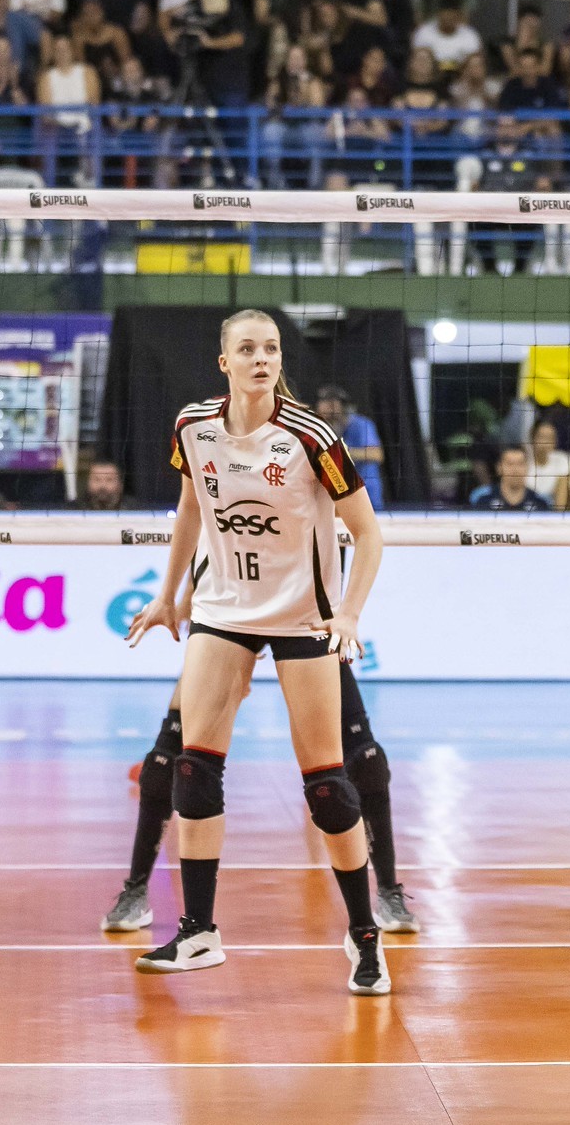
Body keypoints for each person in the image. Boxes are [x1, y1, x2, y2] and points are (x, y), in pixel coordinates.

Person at [122, 310, 390, 992]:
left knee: (328, 786)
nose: (262, 358)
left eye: (271, 347)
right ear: (224, 363)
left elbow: (368, 533)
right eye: (248, 348)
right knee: (193, 766)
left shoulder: (311, 436)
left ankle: (366, 937)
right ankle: (199, 931)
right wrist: (169, 593)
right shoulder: (193, 426)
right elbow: (189, 509)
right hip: (223, 608)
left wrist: (350, 611)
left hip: (305, 614)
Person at [102, 642, 419, 937]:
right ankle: (137, 890)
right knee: (162, 765)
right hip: (238, 612)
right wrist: (176, 597)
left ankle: (388, 892)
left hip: (296, 615)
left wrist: (347, 612)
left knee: (368, 762)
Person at [315, 387, 385, 511]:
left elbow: (376, 454)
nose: (329, 407)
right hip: (337, 497)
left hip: (367, 495)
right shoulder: (320, 427)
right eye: (324, 402)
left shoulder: (361, 424)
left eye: (333, 403)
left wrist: (342, 452)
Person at [469, 445, 552, 510]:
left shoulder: (540, 502)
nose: (515, 469)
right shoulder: (482, 499)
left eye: (520, 464)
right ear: (499, 468)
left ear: (527, 467)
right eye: (510, 464)